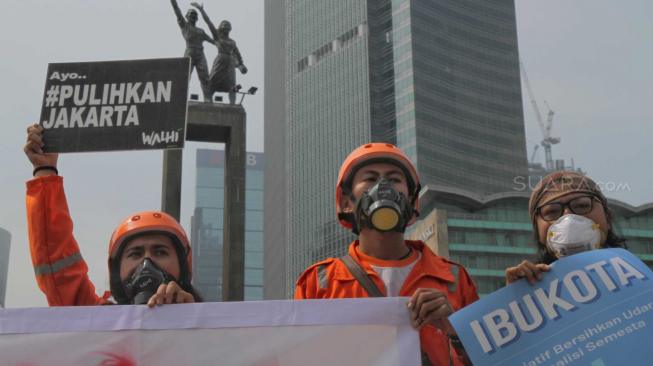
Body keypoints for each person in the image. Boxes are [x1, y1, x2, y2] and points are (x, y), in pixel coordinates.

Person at [294, 143, 478, 366]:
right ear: (346, 202)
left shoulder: (454, 279)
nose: (383, 187)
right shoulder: (319, 282)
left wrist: (454, 330)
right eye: (370, 179)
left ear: (411, 200)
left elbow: (489, 359)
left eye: (394, 179)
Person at [24, 123, 201, 306]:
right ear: (116, 269)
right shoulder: (95, 321)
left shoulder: (215, 327)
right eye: (135, 253)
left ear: (183, 266)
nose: (146, 263)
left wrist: (192, 320)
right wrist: (45, 170)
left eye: (160, 252)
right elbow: (59, 266)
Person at [505, 170, 627, 284]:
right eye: (552, 211)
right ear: (538, 231)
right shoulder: (527, 290)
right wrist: (516, 296)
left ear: (608, 218)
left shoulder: (640, 276)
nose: (568, 216)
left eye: (581, 205)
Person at [191, 2, 247, 104]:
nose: (226, 27)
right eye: (224, 25)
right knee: (212, 81)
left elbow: (237, 55)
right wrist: (201, 10)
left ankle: (232, 104)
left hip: (230, 64)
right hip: (220, 61)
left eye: (227, 25)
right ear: (221, 27)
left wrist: (241, 65)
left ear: (230, 28)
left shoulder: (233, 42)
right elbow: (209, 22)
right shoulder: (217, 36)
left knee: (232, 85)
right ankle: (208, 100)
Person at [170, 0, 213, 102]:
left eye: (194, 15)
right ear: (186, 17)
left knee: (205, 78)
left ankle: (207, 98)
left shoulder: (201, 31)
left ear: (197, 18)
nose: (192, 17)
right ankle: (180, 97)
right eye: (190, 15)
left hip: (200, 54)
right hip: (189, 52)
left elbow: (214, 41)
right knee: (185, 76)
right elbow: (177, 10)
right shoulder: (184, 26)